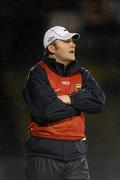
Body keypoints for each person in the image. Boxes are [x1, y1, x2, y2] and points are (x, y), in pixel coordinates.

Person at [22, 25, 105, 180]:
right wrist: (80, 104)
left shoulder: (83, 74)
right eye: (66, 41)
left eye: (72, 41)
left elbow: (98, 102)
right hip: (44, 156)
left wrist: (70, 99)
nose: (73, 44)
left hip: (77, 157)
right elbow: (46, 112)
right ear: (52, 48)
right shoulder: (38, 73)